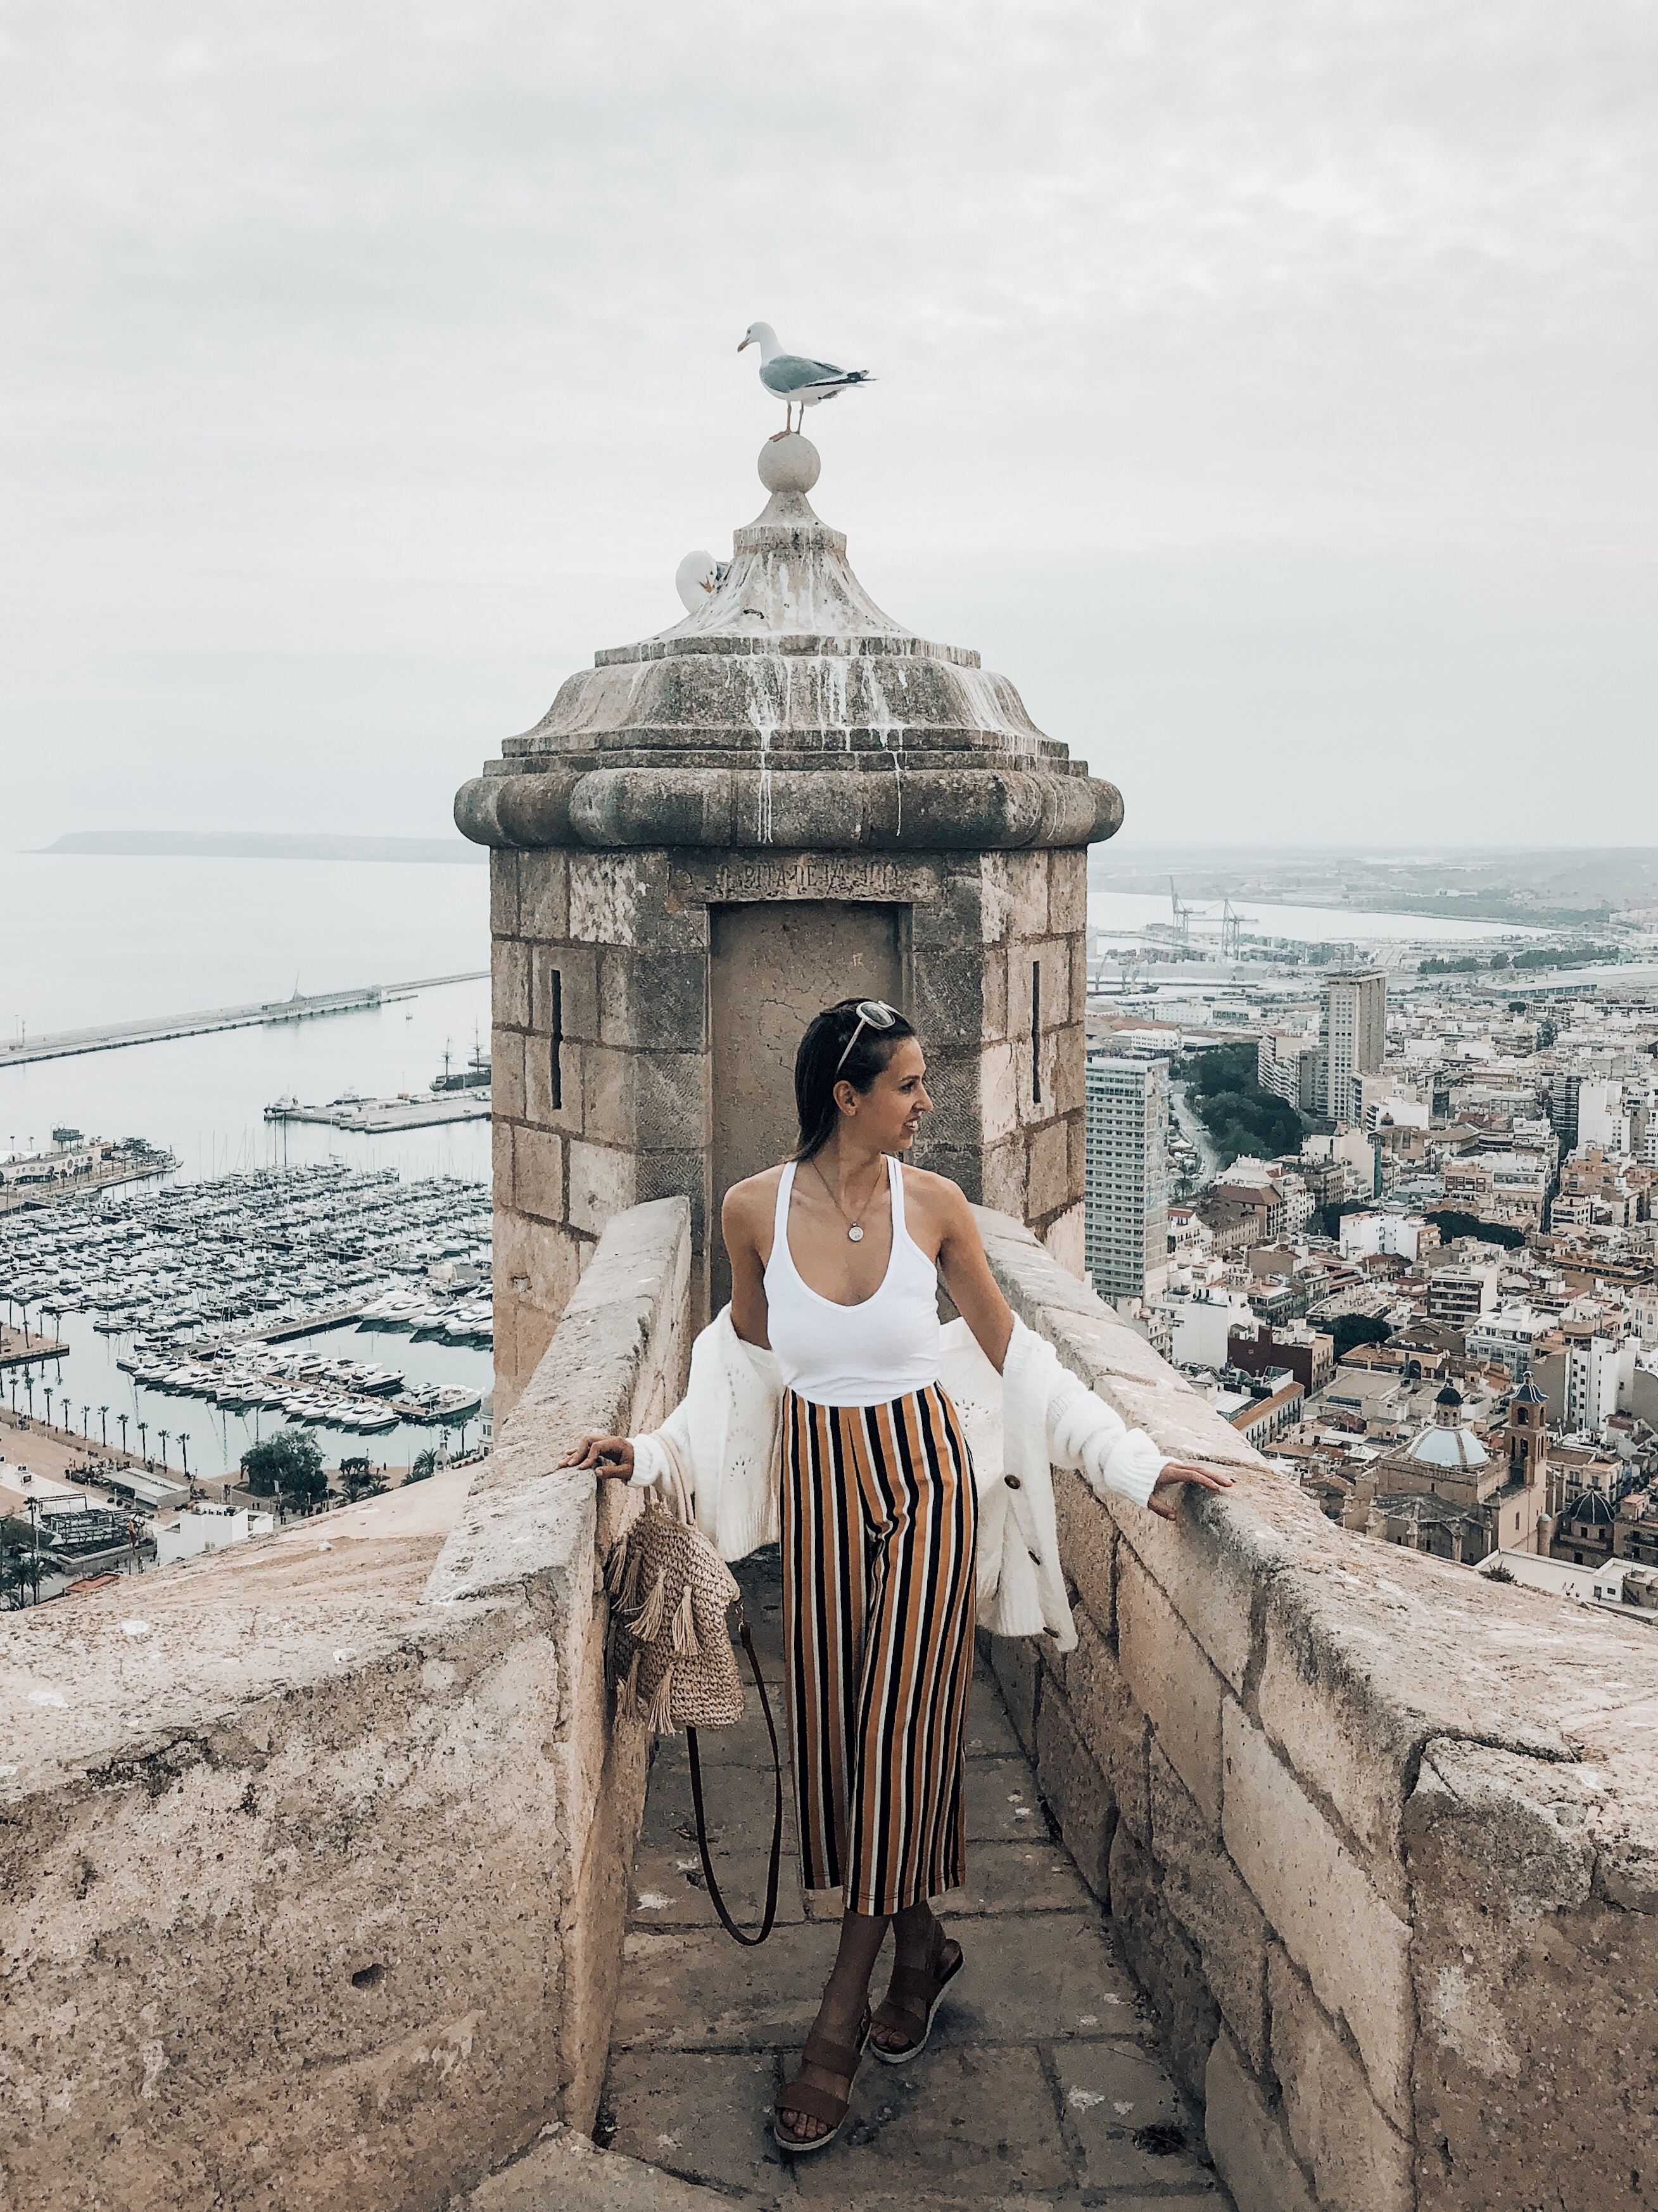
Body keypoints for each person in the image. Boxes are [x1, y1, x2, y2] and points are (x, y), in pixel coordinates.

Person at [562, 997, 1231, 2154]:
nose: (928, 1103)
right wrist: (654, 1452)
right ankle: (922, 1948)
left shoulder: (936, 1207)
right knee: (840, 1735)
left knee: (899, 1730)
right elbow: (738, 1373)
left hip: (925, 1481)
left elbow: (1020, 1359)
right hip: (820, 1483)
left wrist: (1131, 1465)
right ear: (847, 1095)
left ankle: (840, 2016)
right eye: (908, 1085)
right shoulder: (751, 1211)